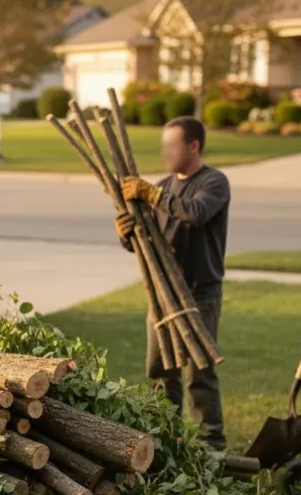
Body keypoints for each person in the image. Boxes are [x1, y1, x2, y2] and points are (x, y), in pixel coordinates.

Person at [115, 116, 230, 450]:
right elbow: (147, 240)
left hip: (199, 293)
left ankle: (212, 444)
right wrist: (126, 234)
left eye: (172, 145)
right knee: (160, 370)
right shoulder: (164, 186)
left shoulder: (214, 182)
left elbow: (195, 212)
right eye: (163, 145)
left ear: (193, 146)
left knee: (199, 374)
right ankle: (166, 438)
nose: (165, 152)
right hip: (162, 295)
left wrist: (154, 194)